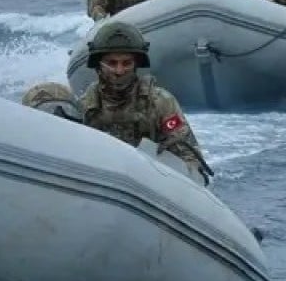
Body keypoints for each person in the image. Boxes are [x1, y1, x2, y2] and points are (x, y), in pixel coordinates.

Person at [75, 21, 211, 183]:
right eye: (112, 63)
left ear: (136, 65)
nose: (119, 71)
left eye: (126, 63)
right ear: (99, 65)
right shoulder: (85, 107)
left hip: (152, 184)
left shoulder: (160, 102)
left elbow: (187, 155)